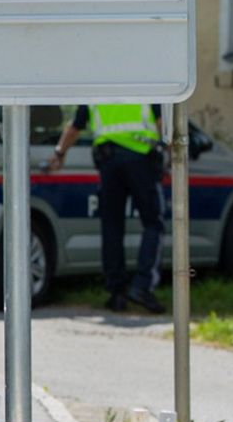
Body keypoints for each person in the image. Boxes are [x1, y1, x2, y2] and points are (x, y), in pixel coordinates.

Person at [47, 103, 166, 313]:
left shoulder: (98, 89)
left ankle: (117, 293)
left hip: (109, 161)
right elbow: (162, 122)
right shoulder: (144, 85)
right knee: (153, 223)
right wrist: (173, 151)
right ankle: (142, 286)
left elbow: (75, 126)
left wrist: (59, 152)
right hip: (141, 158)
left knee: (112, 227)